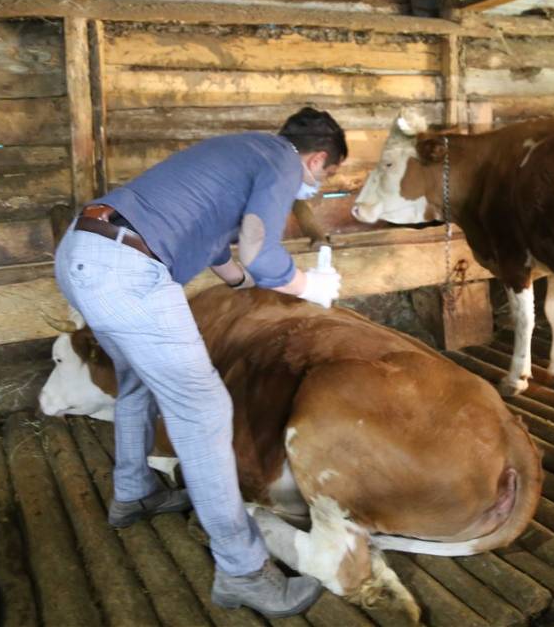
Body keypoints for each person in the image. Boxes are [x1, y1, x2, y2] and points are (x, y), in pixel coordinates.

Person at [53, 108, 346, 617]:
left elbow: (218, 246)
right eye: (327, 176)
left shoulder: (239, 150)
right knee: (204, 409)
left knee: (136, 380)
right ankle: (243, 571)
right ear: (317, 158)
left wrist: (240, 285)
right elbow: (258, 248)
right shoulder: (281, 160)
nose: (318, 185)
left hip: (86, 250)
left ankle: (133, 492)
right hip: (126, 268)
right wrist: (309, 286)